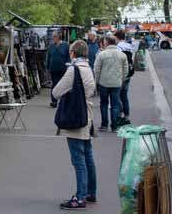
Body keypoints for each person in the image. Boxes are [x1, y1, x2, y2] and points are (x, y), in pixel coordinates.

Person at [52, 40, 97, 210]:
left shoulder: (73, 69)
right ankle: (91, 192)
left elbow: (56, 92)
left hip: (75, 117)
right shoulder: (88, 68)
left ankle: (80, 197)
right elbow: (90, 90)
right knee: (88, 156)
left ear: (73, 53)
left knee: (78, 159)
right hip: (87, 114)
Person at [94, 36, 128, 132]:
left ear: (107, 43)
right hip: (116, 83)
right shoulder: (122, 55)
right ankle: (114, 126)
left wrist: (96, 81)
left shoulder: (101, 54)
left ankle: (104, 125)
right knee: (115, 105)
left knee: (103, 104)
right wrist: (122, 80)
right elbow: (126, 70)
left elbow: (97, 69)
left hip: (103, 83)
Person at [46, 31, 71, 108]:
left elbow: (69, 56)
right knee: (54, 85)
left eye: (54, 36)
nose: (53, 38)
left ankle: (63, 101)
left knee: (63, 85)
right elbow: (48, 57)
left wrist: (68, 65)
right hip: (53, 69)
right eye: (53, 36)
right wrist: (47, 67)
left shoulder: (66, 45)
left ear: (58, 37)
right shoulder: (51, 46)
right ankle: (54, 101)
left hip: (63, 69)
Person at [115, 30, 134, 126]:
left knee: (117, 96)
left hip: (120, 74)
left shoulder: (119, 47)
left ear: (117, 37)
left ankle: (119, 115)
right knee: (124, 96)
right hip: (128, 74)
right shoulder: (129, 46)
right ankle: (127, 116)